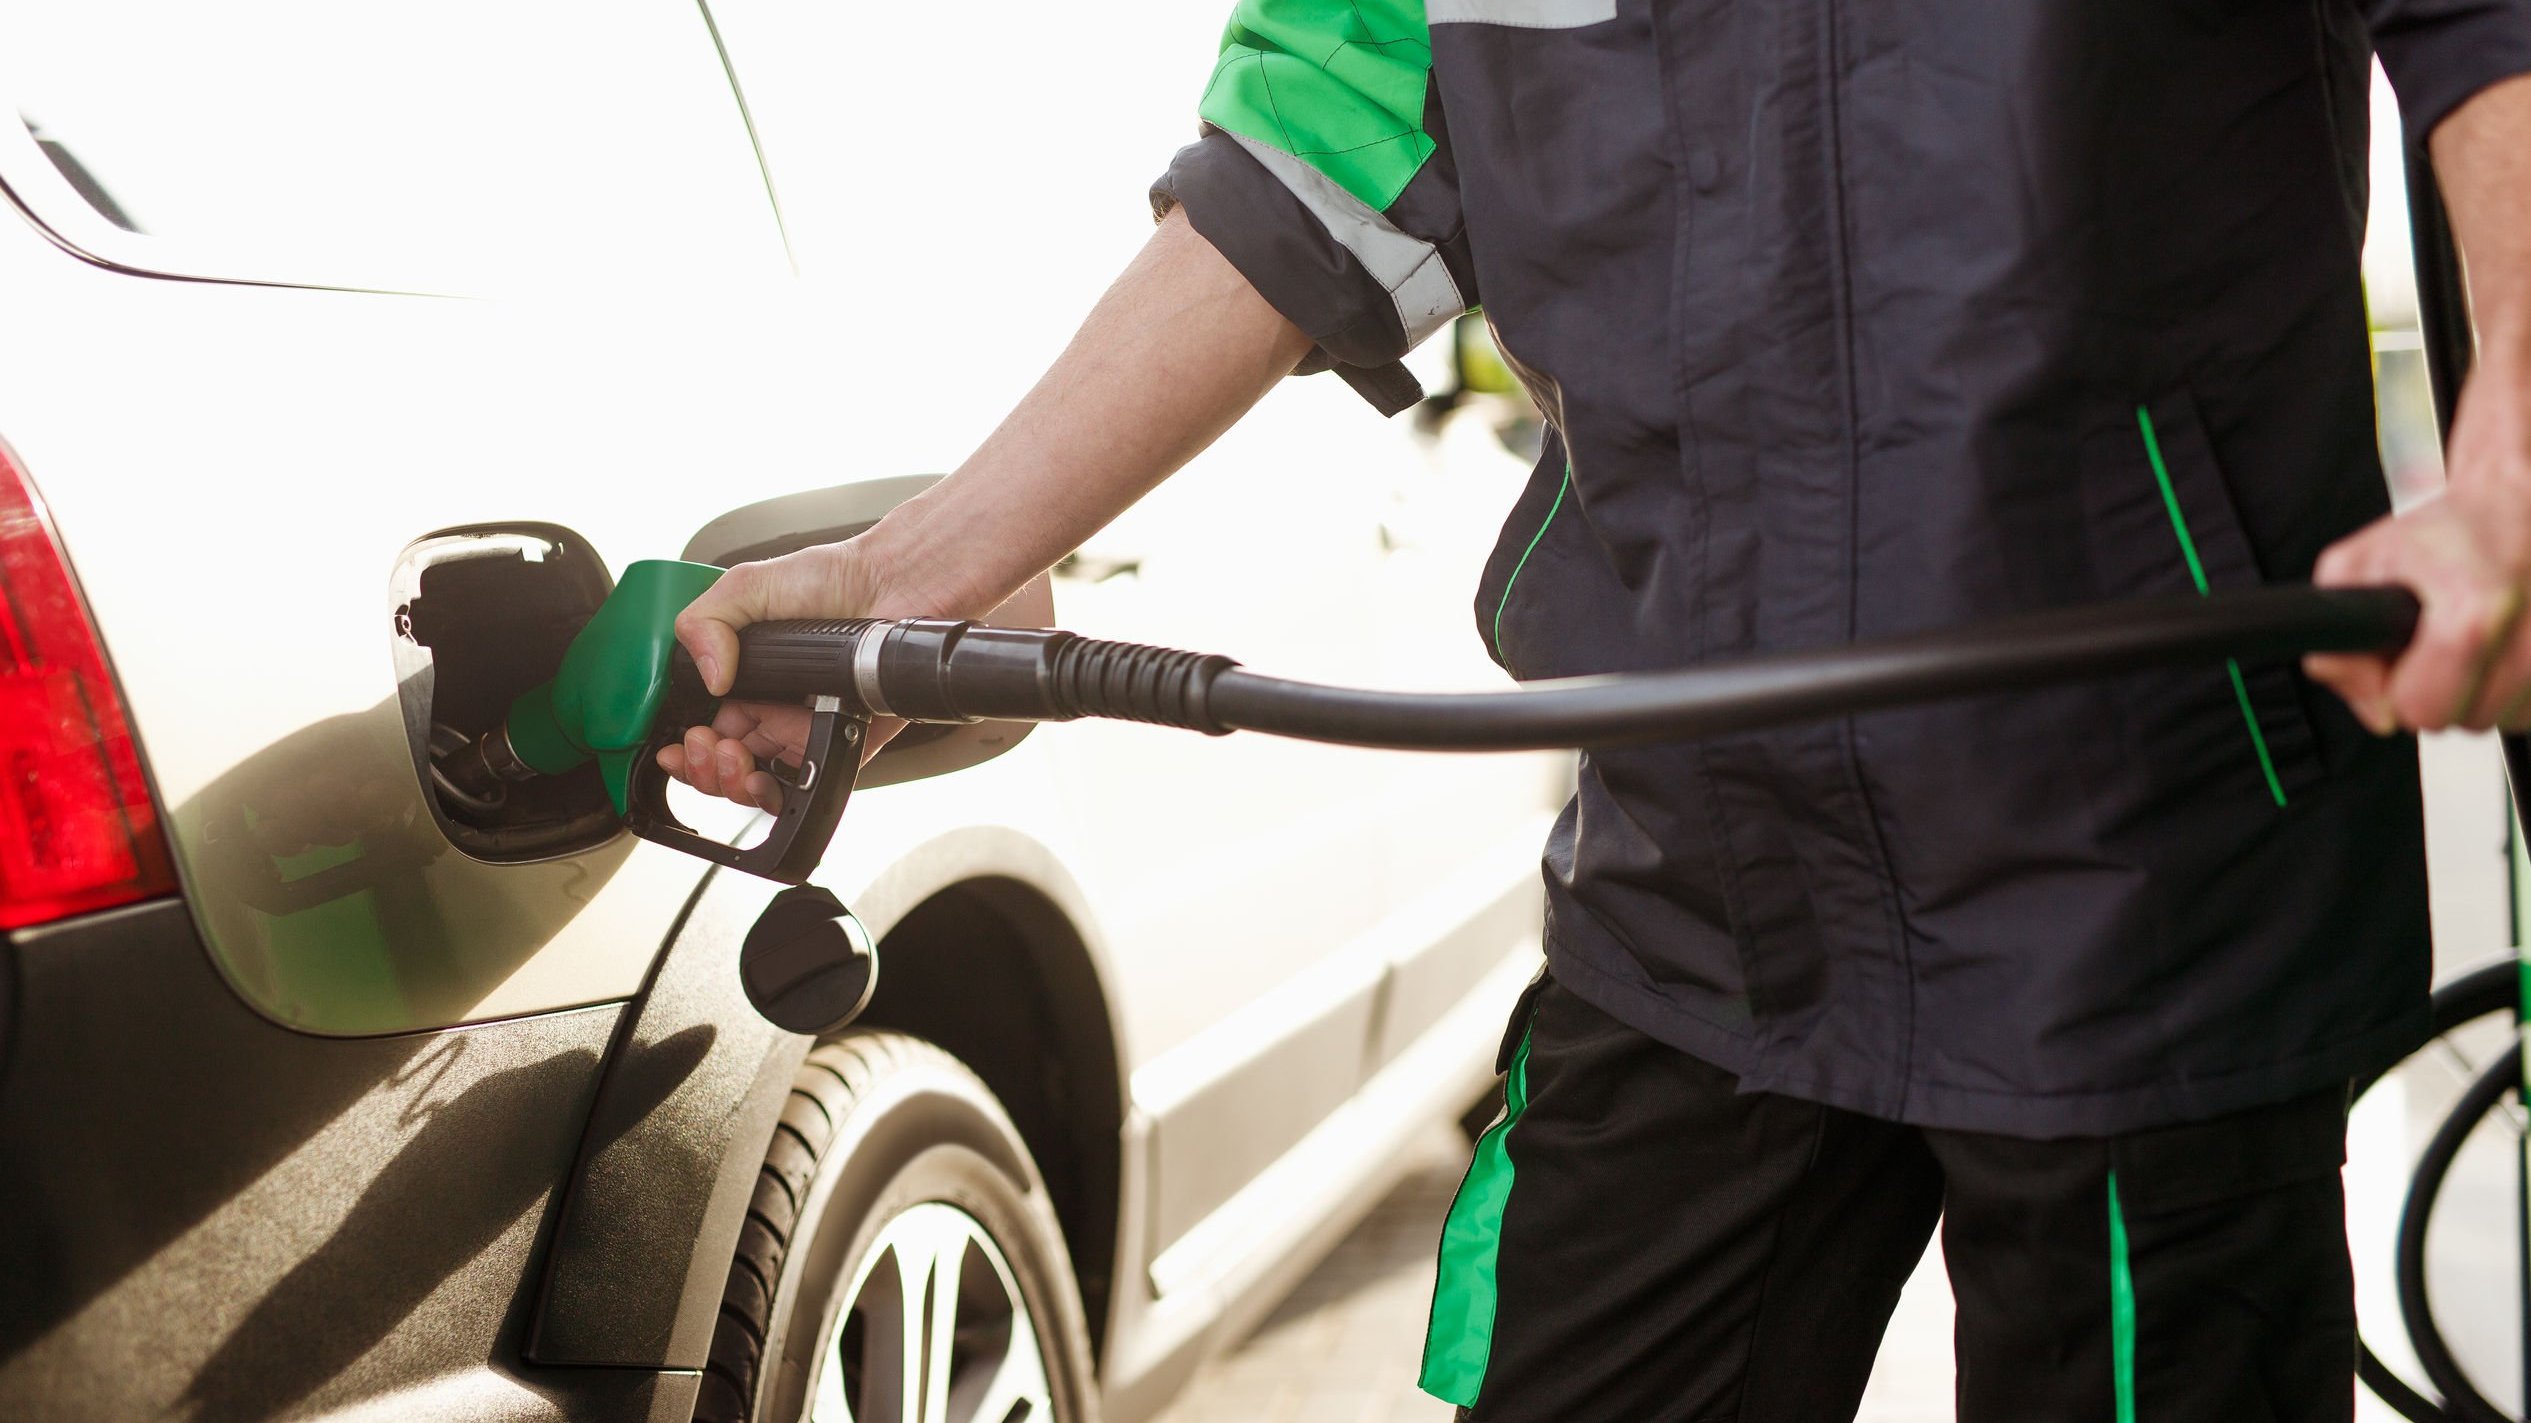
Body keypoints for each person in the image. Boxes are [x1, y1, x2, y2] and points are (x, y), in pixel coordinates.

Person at [662, 5, 2531, 1418]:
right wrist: (930, 565)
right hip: (1705, 862)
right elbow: (1311, 149)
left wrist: (2515, 451)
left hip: (2140, 832)